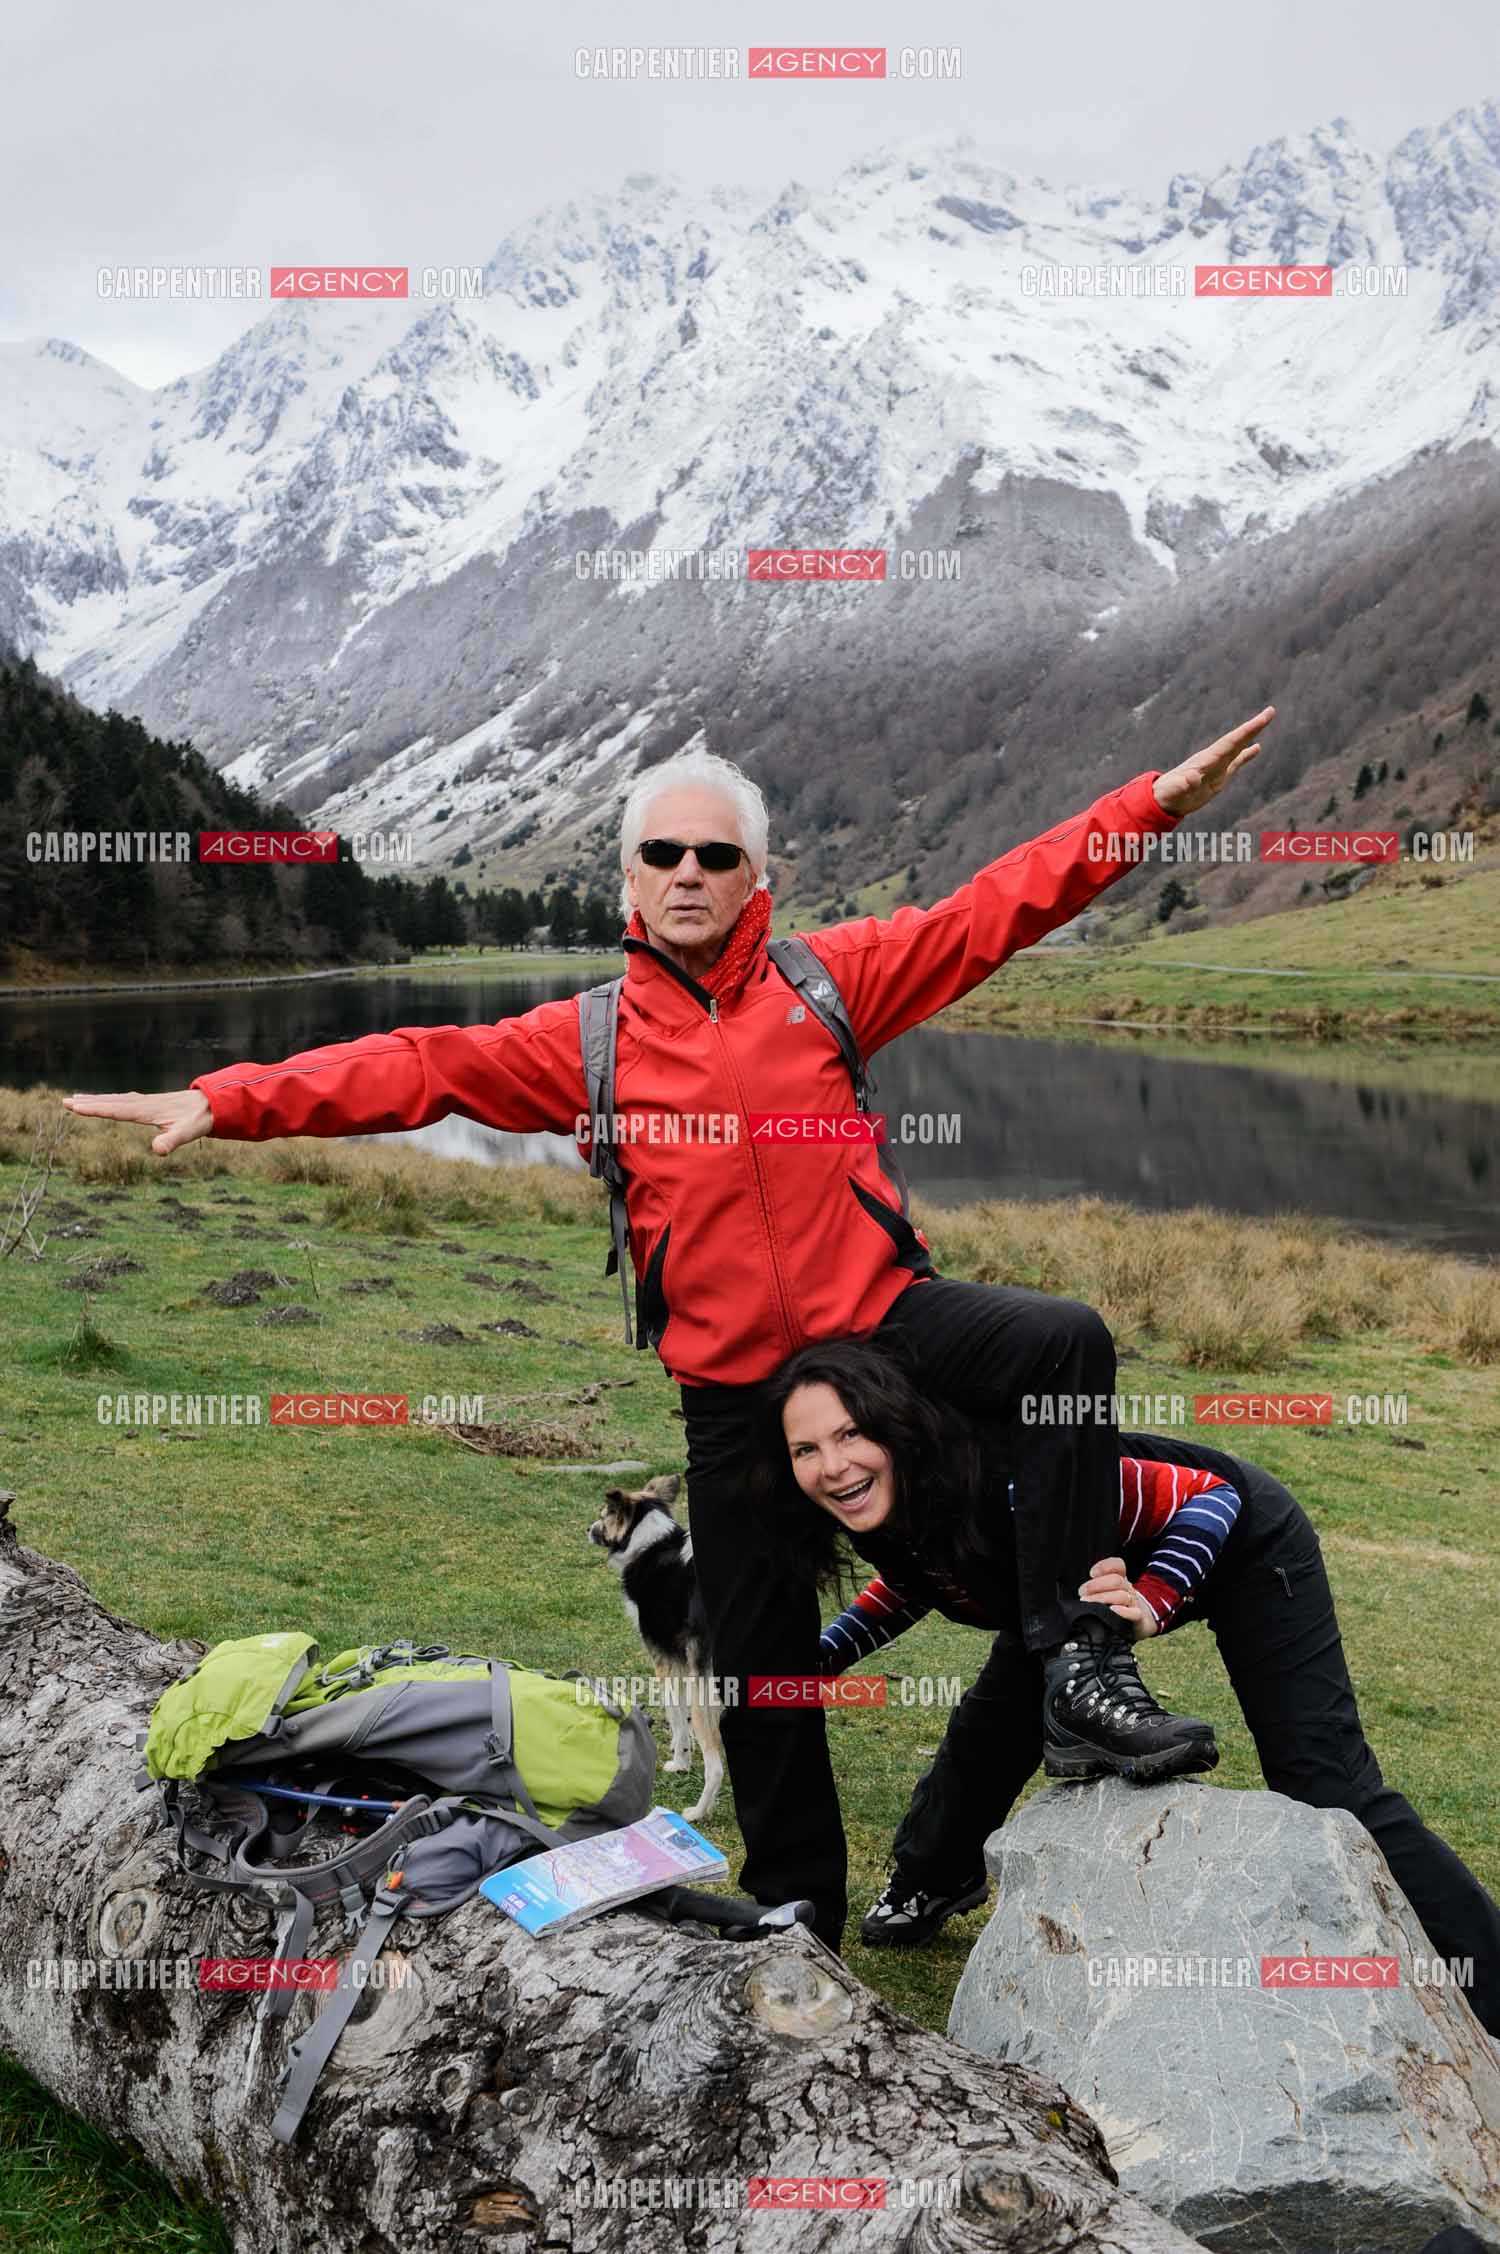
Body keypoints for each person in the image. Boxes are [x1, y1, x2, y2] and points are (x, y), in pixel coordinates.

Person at [63, 706, 1275, 1953]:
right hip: (735, 1387)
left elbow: (993, 910)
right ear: (630, 877)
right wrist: (224, 1096)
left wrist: (1151, 806)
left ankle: (1075, 1662)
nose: (688, 872)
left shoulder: (830, 979)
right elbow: (418, 1065)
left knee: (1060, 1338)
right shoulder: (586, 1040)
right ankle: (798, 1899)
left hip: (880, 1329)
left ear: (761, 877)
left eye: (715, 854)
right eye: (664, 854)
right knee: (757, 1663)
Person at [759, 1334, 1500, 2037]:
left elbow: (1211, 1498)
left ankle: (1487, 1976)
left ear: (896, 1428)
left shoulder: (1014, 1478)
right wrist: (824, 1655)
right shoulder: (884, 1504)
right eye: (806, 1449)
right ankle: (933, 1881)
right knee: (988, 1732)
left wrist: (1153, 1598)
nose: (832, 1465)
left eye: (851, 1434)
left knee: (1327, 1779)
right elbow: (926, 1578)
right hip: (1075, 1594)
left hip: (1237, 1541)